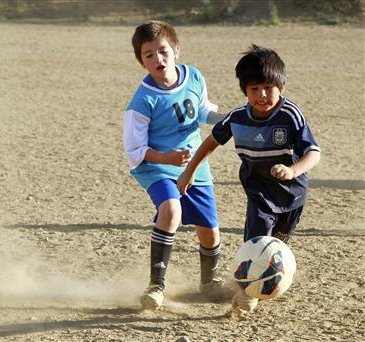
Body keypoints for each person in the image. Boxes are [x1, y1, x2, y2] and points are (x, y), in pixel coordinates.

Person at [177, 44, 321, 317]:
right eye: (254, 89)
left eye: (268, 87)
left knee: (276, 250)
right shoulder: (238, 118)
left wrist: (293, 171)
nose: (262, 95)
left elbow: (314, 152)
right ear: (244, 90)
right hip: (259, 193)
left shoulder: (290, 115)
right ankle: (244, 294)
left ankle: (262, 284)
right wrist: (189, 171)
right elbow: (210, 142)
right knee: (256, 244)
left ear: (282, 85)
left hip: (293, 196)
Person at [123, 20, 228, 310]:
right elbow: (134, 151)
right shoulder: (142, 101)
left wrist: (230, 118)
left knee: (209, 230)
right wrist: (166, 157)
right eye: (149, 55)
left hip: (193, 164)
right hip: (156, 166)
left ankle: (209, 282)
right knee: (171, 211)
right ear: (141, 61)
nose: (158, 59)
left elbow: (204, 111)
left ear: (176, 51)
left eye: (163, 51)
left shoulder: (193, 77)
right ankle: (156, 286)